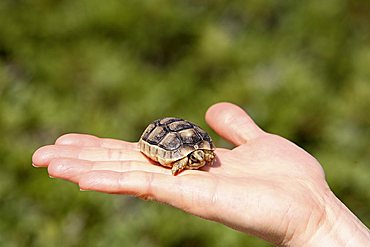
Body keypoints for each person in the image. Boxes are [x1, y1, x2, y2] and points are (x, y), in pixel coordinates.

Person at [32, 102, 370, 246]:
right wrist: (322, 225)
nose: (203, 160)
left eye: (203, 156)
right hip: (165, 137)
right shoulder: (185, 155)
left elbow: (203, 155)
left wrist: (320, 221)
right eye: (198, 157)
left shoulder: (204, 155)